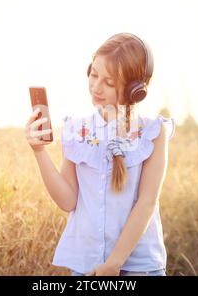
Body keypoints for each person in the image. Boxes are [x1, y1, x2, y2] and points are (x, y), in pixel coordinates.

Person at [25, 33, 175, 276]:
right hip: (88, 267)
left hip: (140, 267)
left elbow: (146, 203)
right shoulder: (77, 129)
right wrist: (39, 152)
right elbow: (67, 201)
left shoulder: (153, 133)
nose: (96, 87)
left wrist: (113, 264)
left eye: (109, 82)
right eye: (94, 74)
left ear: (135, 90)